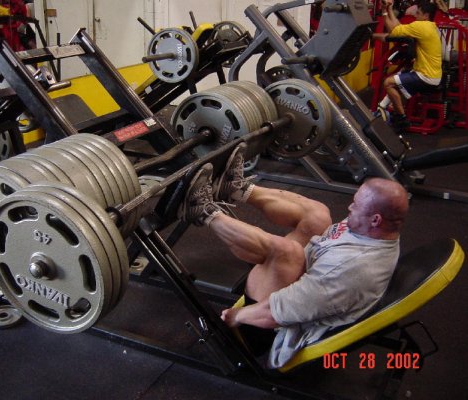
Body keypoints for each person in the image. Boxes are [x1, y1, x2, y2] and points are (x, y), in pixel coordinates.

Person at [178, 143, 409, 368]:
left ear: (375, 219)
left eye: (356, 205)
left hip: (267, 332)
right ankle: (236, 188)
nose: (349, 208)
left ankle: (201, 211)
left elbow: (275, 313)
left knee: (285, 252)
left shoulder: (351, 271)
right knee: (318, 215)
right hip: (313, 277)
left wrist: (237, 316)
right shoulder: (377, 232)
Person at [373, 1, 442, 132]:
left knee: (388, 83)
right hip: (431, 74)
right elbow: (399, 28)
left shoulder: (421, 26)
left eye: (418, 13)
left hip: (426, 76)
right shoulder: (431, 26)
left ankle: (402, 119)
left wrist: (384, 12)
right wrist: (390, 9)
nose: (415, 15)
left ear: (426, 16)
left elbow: (393, 31)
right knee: (398, 79)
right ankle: (385, 109)